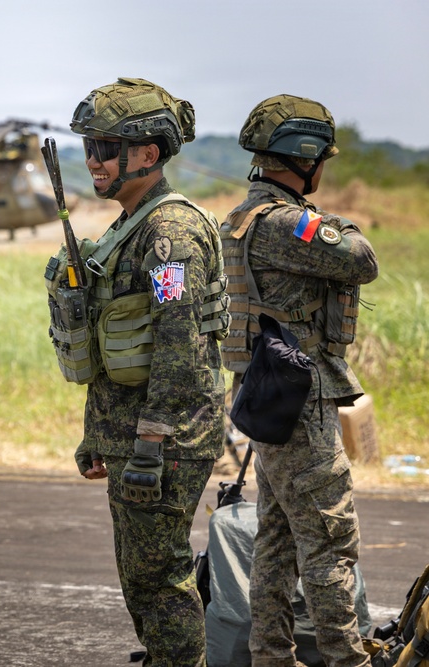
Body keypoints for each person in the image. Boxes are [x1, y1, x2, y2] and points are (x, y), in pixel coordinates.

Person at [65, 78, 229, 666]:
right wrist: (99, 433)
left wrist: (150, 444)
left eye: (107, 147)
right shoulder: (128, 224)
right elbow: (117, 345)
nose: (93, 160)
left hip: (165, 439)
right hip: (133, 432)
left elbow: (178, 344)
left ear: (148, 154)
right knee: (141, 578)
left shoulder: (169, 233)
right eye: (89, 146)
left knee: (159, 579)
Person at [221, 95, 378, 667]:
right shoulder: (286, 223)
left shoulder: (241, 218)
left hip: (268, 394)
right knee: (330, 545)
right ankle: (346, 660)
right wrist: (340, 223)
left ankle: (271, 656)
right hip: (301, 400)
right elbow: (361, 258)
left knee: (278, 538)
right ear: (304, 157)